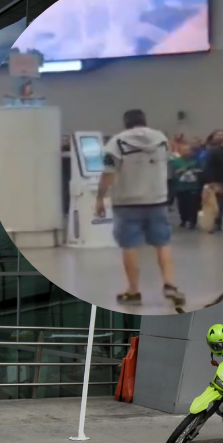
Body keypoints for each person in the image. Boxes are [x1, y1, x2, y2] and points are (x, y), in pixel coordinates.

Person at [97, 109, 185, 308]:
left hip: (127, 203)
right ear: (144, 121)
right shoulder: (161, 139)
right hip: (157, 201)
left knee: (129, 247)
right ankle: (170, 284)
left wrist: (100, 198)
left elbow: (108, 173)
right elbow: (170, 159)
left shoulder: (114, 143)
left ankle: (133, 291)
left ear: (125, 122)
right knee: (163, 243)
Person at [170, 143, 203, 228]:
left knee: (192, 204)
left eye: (188, 150)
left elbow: (202, 170)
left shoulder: (196, 160)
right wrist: (180, 171)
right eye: (184, 150)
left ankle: (192, 221)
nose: (186, 152)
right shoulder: (176, 161)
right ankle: (183, 220)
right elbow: (173, 172)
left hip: (193, 186)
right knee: (182, 204)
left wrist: (195, 171)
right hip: (181, 186)